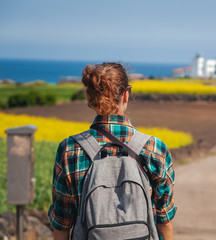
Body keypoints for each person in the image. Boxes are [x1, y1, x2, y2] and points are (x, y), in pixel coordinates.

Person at [48, 62, 176, 240]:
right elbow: (164, 221)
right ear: (126, 94)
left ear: (90, 97)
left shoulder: (70, 149)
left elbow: (62, 224)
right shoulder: (154, 148)